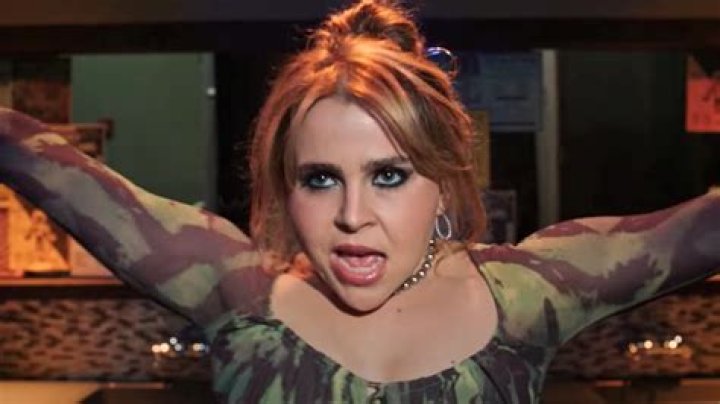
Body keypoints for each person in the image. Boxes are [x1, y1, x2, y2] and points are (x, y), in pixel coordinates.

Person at [1, 1, 719, 402]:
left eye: (389, 176)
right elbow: (51, 168)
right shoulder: (240, 294)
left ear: (444, 176)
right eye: (319, 178)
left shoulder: (525, 296)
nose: (352, 215)